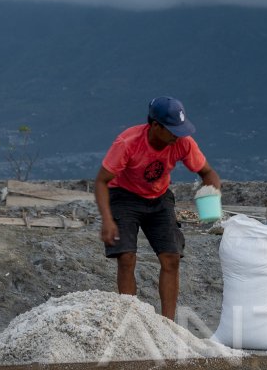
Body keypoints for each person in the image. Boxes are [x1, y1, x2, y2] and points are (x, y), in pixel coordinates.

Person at [94, 96, 222, 320]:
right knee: (126, 257)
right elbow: (101, 181)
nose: (177, 135)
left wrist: (211, 200)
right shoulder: (128, 142)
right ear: (155, 126)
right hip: (124, 196)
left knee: (171, 257)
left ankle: (167, 325)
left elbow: (208, 173)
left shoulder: (182, 142)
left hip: (159, 196)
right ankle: (130, 318)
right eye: (172, 130)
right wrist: (107, 219)